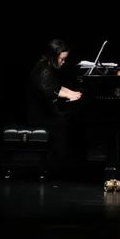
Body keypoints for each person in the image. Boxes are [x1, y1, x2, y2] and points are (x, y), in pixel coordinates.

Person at [26, 39, 83, 173]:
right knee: (64, 122)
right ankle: (58, 163)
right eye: (62, 59)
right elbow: (51, 91)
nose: (63, 62)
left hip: (43, 111)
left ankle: (66, 159)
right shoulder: (43, 69)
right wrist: (70, 96)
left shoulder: (47, 66)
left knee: (67, 119)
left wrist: (74, 93)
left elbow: (57, 87)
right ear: (53, 56)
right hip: (37, 115)